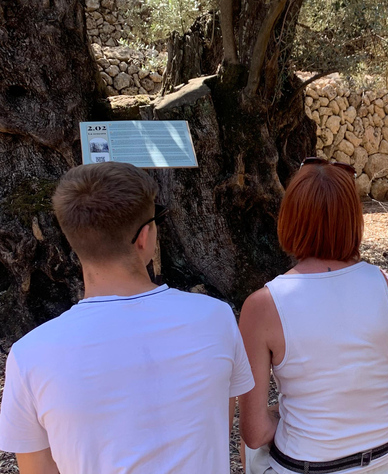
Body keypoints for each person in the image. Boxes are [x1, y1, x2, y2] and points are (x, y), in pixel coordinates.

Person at [0, 162, 255, 474]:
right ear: (144, 237)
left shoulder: (29, 355)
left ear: (73, 239)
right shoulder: (215, 318)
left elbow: (37, 468)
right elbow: (216, 426)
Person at [238, 157, 388, 474]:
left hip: (307, 464)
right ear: (354, 220)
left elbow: (254, 433)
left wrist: (287, 410)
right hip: (386, 458)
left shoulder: (262, 306)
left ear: (289, 219)